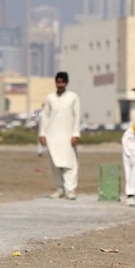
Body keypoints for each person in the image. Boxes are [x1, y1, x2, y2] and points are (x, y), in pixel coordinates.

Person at [38, 72, 81, 200]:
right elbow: (45, 116)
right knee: (55, 163)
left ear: (66, 83)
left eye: (62, 82)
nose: (60, 84)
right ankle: (60, 189)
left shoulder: (73, 97)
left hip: (68, 135)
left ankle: (70, 190)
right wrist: (42, 134)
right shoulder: (50, 97)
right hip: (52, 136)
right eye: (58, 82)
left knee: (69, 164)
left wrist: (75, 134)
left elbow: (77, 116)